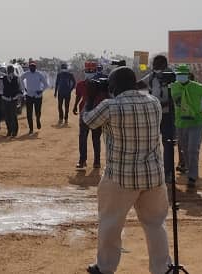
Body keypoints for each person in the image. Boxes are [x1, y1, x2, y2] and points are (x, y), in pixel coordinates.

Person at [83, 67, 170, 274]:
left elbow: (88, 121)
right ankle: (162, 268)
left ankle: (105, 268)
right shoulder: (153, 102)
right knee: (155, 225)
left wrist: (90, 96)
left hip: (120, 178)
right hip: (153, 176)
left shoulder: (110, 106)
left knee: (111, 224)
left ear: (113, 87)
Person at [170, 64, 202, 188]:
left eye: (182, 75)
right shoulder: (172, 87)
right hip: (180, 123)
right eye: (178, 75)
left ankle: (192, 176)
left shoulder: (198, 87)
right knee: (184, 149)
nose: (180, 77)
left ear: (187, 75)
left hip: (196, 123)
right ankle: (188, 168)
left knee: (192, 149)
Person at [138, 55, 177, 183]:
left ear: (164, 64)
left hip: (168, 115)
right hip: (153, 114)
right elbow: (139, 84)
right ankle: (153, 170)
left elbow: (177, 95)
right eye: (153, 63)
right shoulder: (152, 76)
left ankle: (168, 173)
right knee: (151, 143)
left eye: (157, 63)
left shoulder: (173, 76)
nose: (154, 66)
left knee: (168, 143)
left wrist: (166, 104)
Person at [73, 63, 108, 169]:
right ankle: (82, 160)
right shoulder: (80, 84)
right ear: (84, 72)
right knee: (82, 137)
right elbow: (78, 96)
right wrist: (75, 106)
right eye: (87, 71)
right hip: (83, 113)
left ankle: (97, 161)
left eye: (91, 71)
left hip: (96, 113)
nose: (89, 73)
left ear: (95, 71)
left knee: (96, 138)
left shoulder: (102, 85)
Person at [20, 60, 49, 133]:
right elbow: (20, 79)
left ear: (35, 67)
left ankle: (38, 120)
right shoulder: (26, 74)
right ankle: (31, 129)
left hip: (38, 96)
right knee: (29, 113)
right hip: (29, 95)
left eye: (33, 67)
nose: (32, 68)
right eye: (31, 67)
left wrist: (41, 90)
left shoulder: (39, 74)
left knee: (38, 112)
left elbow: (46, 84)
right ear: (29, 67)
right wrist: (24, 88)